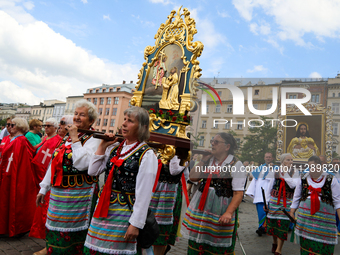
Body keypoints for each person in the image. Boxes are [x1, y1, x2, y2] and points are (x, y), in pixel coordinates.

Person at [83, 106, 157, 255]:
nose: (124, 124)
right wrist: (103, 146)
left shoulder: (147, 155)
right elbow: (93, 171)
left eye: (130, 121)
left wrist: (135, 224)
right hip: (103, 208)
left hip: (124, 212)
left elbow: (143, 194)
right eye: (124, 120)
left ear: (142, 127)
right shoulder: (115, 149)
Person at [36, 100, 100, 254]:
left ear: (91, 120)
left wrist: (75, 139)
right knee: (55, 227)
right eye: (76, 113)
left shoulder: (95, 139)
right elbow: (55, 163)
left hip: (79, 196)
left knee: (73, 232)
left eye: (82, 115)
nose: (77, 117)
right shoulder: (68, 139)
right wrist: (43, 188)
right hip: (59, 194)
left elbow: (82, 163)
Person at [181, 132, 246, 255]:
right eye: (212, 141)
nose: (212, 144)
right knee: (197, 243)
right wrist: (203, 161)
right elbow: (193, 177)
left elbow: (238, 193)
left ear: (227, 146)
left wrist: (228, 213)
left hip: (221, 209)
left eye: (216, 142)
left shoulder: (236, 164)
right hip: (202, 207)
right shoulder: (208, 161)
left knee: (217, 244)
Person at [290, 156, 340, 255]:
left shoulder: (331, 180)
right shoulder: (303, 178)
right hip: (306, 223)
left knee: (323, 250)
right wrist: (291, 212)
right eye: (310, 167)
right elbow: (296, 198)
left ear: (321, 166)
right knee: (307, 249)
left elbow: (338, 202)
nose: (312, 169)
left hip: (325, 224)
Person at [29, 118, 63, 255]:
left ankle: (48, 243)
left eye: (49, 126)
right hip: (40, 178)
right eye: (45, 126)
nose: (46, 128)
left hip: (48, 180)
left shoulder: (58, 141)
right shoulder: (44, 139)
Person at [0, 118, 36, 237]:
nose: (10, 127)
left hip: (13, 175)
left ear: (20, 126)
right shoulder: (13, 140)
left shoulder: (20, 141)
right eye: (9, 124)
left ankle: (14, 228)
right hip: (7, 173)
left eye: (13, 125)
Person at [151, 155, 186, 255]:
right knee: (149, 225)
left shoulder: (180, 155)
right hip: (157, 190)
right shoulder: (160, 152)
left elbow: (174, 171)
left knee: (162, 230)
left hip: (169, 193)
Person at [265, 153, 298, 255]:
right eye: (288, 160)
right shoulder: (274, 172)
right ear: (283, 161)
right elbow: (269, 187)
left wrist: (285, 175)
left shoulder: (295, 172)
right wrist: (266, 202)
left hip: (287, 202)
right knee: (273, 224)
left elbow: (294, 185)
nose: (291, 162)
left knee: (283, 225)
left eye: (292, 159)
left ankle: (279, 249)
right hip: (275, 201)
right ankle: (274, 243)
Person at [246, 152, 275, 236]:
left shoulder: (276, 168)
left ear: (272, 158)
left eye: (270, 157)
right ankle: (262, 227)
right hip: (260, 193)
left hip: (270, 193)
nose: (268, 158)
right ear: (264, 158)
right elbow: (254, 179)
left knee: (269, 212)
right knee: (261, 212)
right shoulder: (259, 168)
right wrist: (252, 191)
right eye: (267, 157)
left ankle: (266, 227)